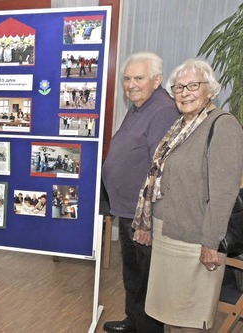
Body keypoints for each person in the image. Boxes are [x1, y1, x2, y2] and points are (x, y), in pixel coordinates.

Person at [133, 59, 243, 332]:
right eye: (178, 87)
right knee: (170, 318)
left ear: (210, 89)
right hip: (168, 236)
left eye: (193, 85)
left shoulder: (222, 125)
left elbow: (223, 192)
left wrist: (210, 243)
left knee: (189, 321)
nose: (184, 92)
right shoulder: (180, 126)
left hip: (196, 242)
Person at [101, 52, 179, 333]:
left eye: (138, 78)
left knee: (147, 278)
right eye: (127, 78)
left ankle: (146, 328)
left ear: (157, 81)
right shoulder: (139, 106)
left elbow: (160, 170)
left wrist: (146, 219)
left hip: (142, 213)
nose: (131, 84)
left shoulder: (162, 111)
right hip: (126, 209)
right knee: (132, 273)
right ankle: (133, 322)